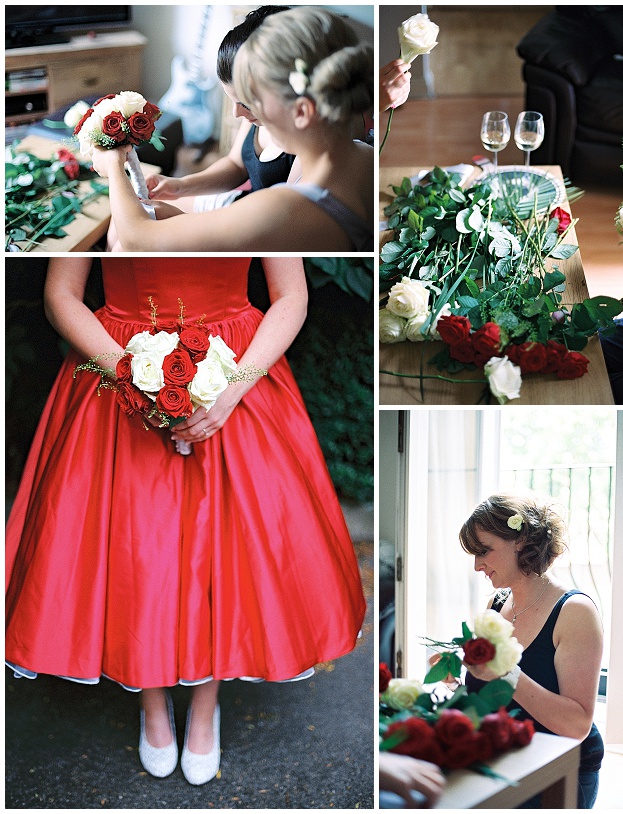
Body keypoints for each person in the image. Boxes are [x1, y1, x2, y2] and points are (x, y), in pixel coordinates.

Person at [5, 258, 367, 786]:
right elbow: (62, 294)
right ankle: (153, 705)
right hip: (118, 365)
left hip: (237, 367)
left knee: (229, 550)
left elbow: (290, 296)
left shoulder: (259, 188)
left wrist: (234, 388)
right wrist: (132, 376)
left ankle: (204, 708)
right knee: (137, 548)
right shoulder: (110, 181)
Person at [92, 7, 374, 252]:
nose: (241, 113)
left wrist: (114, 165)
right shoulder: (364, 155)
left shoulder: (281, 207)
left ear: (301, 112)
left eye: (253, 102)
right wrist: (180, 192)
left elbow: (138, 240)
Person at [458, 494, 604, 809]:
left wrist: (507, 673)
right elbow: (490, 695)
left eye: (483, 551)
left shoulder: (575, 612)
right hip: (506, 760)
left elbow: (577, 724)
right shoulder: (495, 605)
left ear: (521, 541)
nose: (477, 565)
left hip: (559, 772)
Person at [141, 6, 297, 216]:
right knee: (138, 211)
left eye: (247, 104)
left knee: (141, 224)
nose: (236, 114)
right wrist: (180, 186)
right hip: (239, 203)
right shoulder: (256, 117)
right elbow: (236, 164)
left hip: (251, 223)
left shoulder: (303, 146)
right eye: (233, 100)